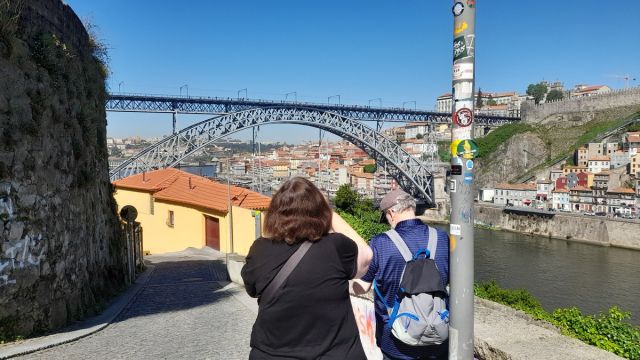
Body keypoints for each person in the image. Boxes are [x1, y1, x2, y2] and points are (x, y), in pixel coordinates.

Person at [241, 177, 373, 360]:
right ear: (320, 212)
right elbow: (366, 257)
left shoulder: (260, 250)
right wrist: (330, 212)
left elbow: (252, 289)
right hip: (336, 354)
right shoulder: (336, 247)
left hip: (272, 354)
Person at [352, 189, 450, 360]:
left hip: (396, 344)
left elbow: (361, 288)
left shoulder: (380, 243)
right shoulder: (441, 238)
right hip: (438, 341)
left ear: (391, 213)